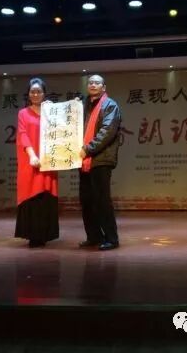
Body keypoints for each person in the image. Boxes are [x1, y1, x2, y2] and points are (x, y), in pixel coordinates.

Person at [78, 74, 121, 251]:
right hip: (84, 160)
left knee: (102, 200)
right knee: (87, 200)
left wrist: (88, 149)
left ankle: (111, 238)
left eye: (97, 82)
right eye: (90, 82)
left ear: (104, 87)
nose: (93, 85)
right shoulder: (83, 105)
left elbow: (107, 132)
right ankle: (94, 236)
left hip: (101, 158)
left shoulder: (110, 105)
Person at [14, 78, 59, 247]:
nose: (35, 94)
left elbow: (64, 127)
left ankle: (45, 233)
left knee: (46, 194)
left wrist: (57, 110)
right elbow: (23, 135)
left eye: (39, 91)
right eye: (32, 91)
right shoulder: (23, 113)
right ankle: (33, 235)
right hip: (30, 160)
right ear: (28, 94)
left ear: (44, 93)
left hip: (48, 159)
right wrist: (32, 155)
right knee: (31, 193)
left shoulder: (51, 112)